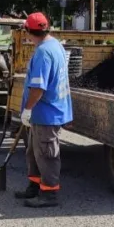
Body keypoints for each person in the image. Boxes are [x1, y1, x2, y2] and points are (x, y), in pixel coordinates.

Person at [14, 12, 73, 208]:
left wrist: (27, 109)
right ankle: (35, 186)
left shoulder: (43, 53)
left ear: (29, 31)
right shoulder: (53, 44)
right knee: (34, 152)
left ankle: (49, 194)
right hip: (46, 112)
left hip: (47, 113)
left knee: (47, 154)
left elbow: (39, 87)